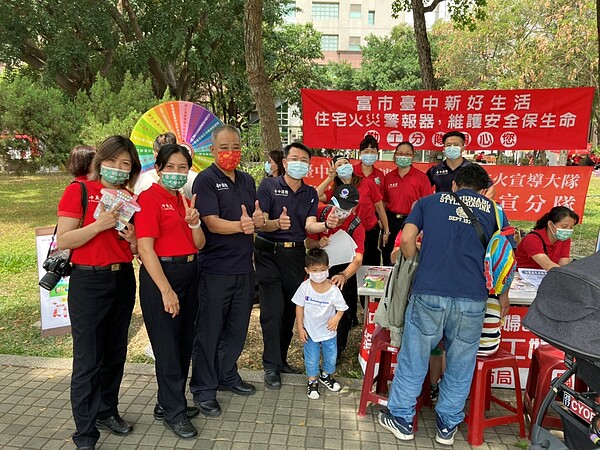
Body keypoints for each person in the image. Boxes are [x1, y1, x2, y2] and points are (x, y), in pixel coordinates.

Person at [378, 164, 512, 446]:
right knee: (461, 363)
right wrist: (503, 297)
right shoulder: (496, 212)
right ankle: (448, 426)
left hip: (429, 292)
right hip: (473, 299)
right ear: (484, 188)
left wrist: (418, 263)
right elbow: (505, 258)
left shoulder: (428, 202)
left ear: (454, 185)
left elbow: (406, 241)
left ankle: (401, 419)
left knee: (415, 357)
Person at [56, 135, 141, 450]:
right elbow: (64, 240)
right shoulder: (78, 191)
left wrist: (131, 238)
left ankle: (108, 411)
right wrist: (99, 224)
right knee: (88, 359)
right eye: (112, 161)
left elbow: (131, 249)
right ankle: (85, 433)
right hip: (88, 282)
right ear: (99, 162)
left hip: (122, 280)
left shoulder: (130, 199)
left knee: (115, 353)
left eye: (125, 164)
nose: (118, 169)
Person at [190, 125, 262, 417]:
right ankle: (204, 389)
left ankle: (227, 374)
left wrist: (260, 218)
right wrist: (242, 226)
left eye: (235, 147)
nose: (230, 153)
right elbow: (211, 222)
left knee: (236, 329)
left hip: (245, 268)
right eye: (224, 147)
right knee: (209, 331)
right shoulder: (205, 180)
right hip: (215, 269)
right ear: (212, 150)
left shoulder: (246, 180)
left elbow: (255, 217)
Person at [255, 142, 339, 390]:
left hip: (295, 256)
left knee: (291, 310)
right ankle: (270, 365)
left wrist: (326, 225)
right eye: (295, 158)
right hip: (268, 254)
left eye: (304, 160)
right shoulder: (269, 186)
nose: (299, 163)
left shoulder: (310, 193)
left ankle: (280, 360)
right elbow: (262, 223)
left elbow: (310, 225)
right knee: (273, 311)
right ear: (284, 162)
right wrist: (275, 224)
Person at [135, 144, 206, 439]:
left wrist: (195, 223)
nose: (177, 173)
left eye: (183, 168)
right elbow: (145, 248)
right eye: (171, 167)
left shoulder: (184, 200)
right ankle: (174, 414)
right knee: (166, 348)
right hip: (161, 277)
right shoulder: (148, 199)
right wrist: (166, 291)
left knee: (183, 344)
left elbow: (199, 244)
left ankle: (167, 402)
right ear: (158, 168)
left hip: (190, 273)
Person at [316, 155, 390, 318]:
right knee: (346, 275)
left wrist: (386, 229)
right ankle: (349, 316)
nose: (343, 166)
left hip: (368, 233)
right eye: (339, 164)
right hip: (344, 237)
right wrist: (329, 178)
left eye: (346, 163)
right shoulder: (334, 190)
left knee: (368, 272)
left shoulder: (367, 183)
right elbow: (315, 195)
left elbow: (379, 207)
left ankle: (369, 312)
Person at [306, 184, 365, 361]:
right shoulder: (320, 213)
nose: (338, 212)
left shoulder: (355, 225)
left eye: (344, 209)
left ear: (353, 208)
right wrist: (317, 243)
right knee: (315, 307)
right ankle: (313, 344)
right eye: (336, 205)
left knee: (340, 309)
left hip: (342, 268)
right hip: (318, 267)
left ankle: (337, 348)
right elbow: (307, 242)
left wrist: (345, 275)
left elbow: (358, 258)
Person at [293, 248, 348, 400]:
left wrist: (337, 318)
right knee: (312, 357)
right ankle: (312, 381)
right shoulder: (304, 287)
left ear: (328, 268)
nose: (319, 273)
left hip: (329, 332)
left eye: (322, 269)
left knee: (331, 356)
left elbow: (341, 308)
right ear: (307, 270)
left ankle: (326, 376)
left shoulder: (333, 290)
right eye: (315, 270)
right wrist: (300, 327)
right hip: (310, 331)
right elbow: (299, 306)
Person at [381, 141, 432, 266]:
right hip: (391, 222)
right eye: (400, 153)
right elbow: (383, 202)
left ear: (413, 156)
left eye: (407, 154)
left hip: (413, 222)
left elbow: (428, 204)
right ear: (395, 155)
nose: (403, 156)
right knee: (389, 257)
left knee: (411, 259)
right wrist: (384, 227)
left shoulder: (421, 177)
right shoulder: (388, 177)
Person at [426, 131, 495, 197]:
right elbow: (423, 188)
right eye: (449, 145)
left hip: (466, 208)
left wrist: (480, 205)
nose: (452, 148)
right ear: (444, 148)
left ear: (463, 148)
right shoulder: (435, 170)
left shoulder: (473, 169)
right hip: (442, 207)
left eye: (456, 145)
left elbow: (491, 189)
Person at [134, 132, 197, 198]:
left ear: (155, 155)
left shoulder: (143, 180)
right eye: (170, 166)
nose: (175, 172)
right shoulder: (195, 178)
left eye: (182, 167)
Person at [515, 206, 579, 271]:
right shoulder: (532, 239)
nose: (567, 230)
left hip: (548, 275)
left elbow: (564, 264)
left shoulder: (565, 239)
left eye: (571, 227)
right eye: (564, 227)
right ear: (550, 224)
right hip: (520, 276)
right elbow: (548, 265)